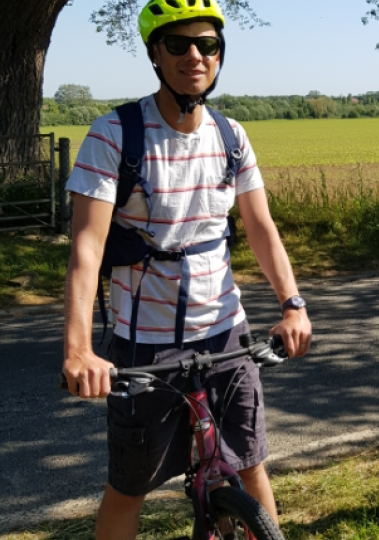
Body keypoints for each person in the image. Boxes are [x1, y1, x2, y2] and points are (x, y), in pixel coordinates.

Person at [61, 1, 312, 538]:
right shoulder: (114, 135)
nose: (195, 56)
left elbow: (262, 229)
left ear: (221, 55)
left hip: (226, 334)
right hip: (145, 346)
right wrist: (79, 350)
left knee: (249, 464)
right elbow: (87, 248)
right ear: (155, 54)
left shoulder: (231, 136)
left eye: (208, 45)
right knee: (130, 487)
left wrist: (293, 305)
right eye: (178, 45)